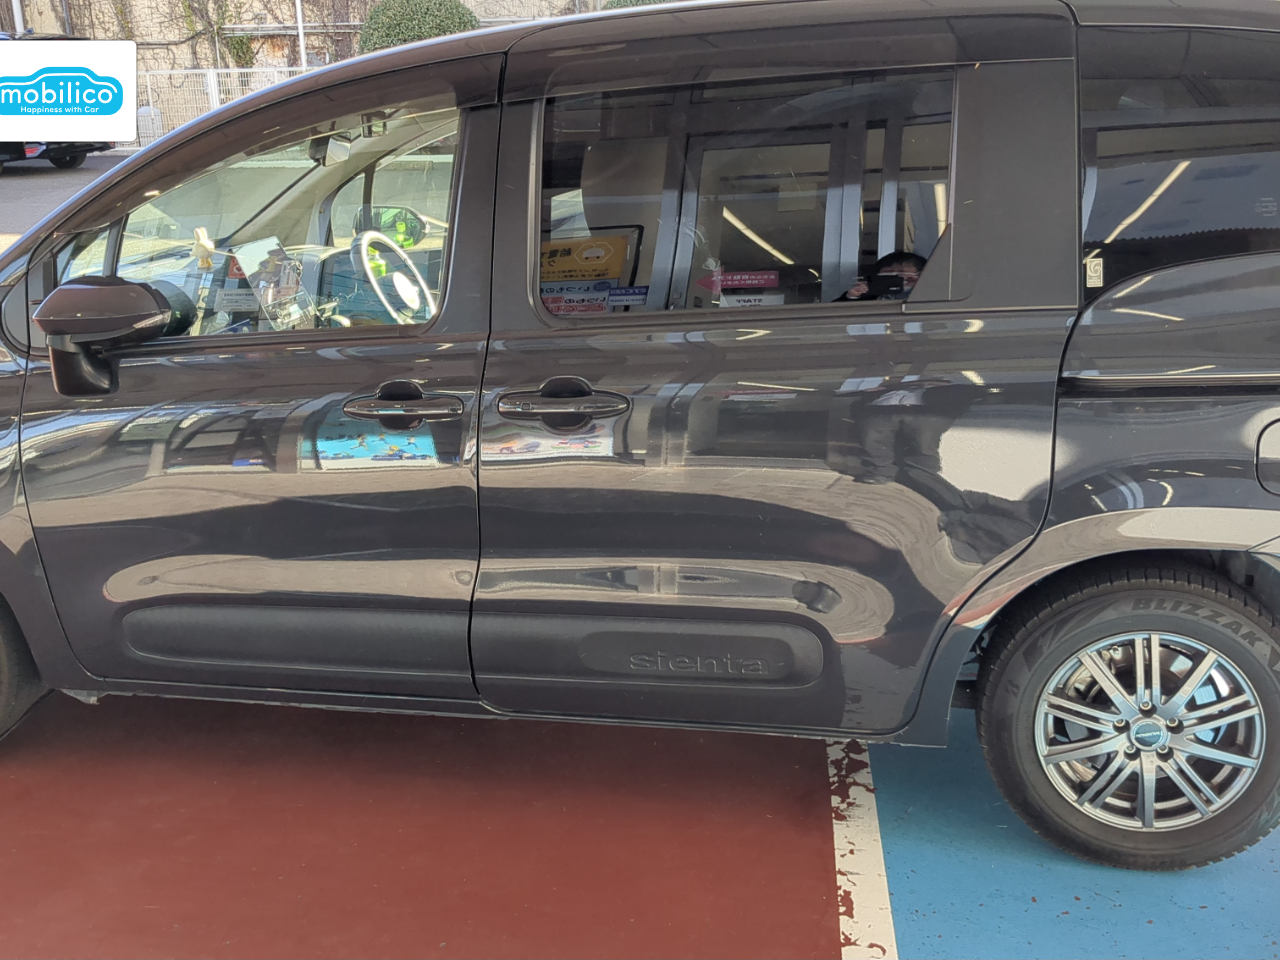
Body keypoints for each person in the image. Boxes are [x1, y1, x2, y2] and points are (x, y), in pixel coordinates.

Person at [837, 251, 927, 301]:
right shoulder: (867, 294)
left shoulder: (927, 295)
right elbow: (836, 313)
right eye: (889, 271)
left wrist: (922, 285)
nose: (895, 276)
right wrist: (852, 296)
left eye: (902, 272)